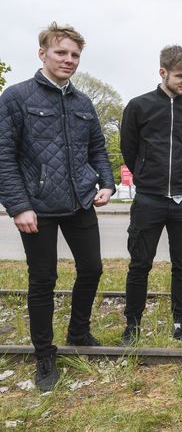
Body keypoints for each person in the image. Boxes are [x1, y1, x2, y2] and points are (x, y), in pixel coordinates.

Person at [0, 23, 115, 391]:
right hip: (38, 208)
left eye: (75, 55)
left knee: (93, 268)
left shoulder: (83, 102)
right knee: (43, 280)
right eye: (61, 53)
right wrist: (19, 205)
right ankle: (45, 356)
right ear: (43, 54)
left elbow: (98, 148)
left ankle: (79, 331)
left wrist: (108, 183)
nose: (69, 60)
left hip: (80, 202)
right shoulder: (15, 97)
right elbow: (4, 156)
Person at [119, 45, 182, 347]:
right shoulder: (138, 106)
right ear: (163, 73)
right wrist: (147, 177)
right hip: (149, 199)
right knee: (139, 264)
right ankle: (132, 326)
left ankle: (181, 325)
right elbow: (129, 150)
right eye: (180, 76)